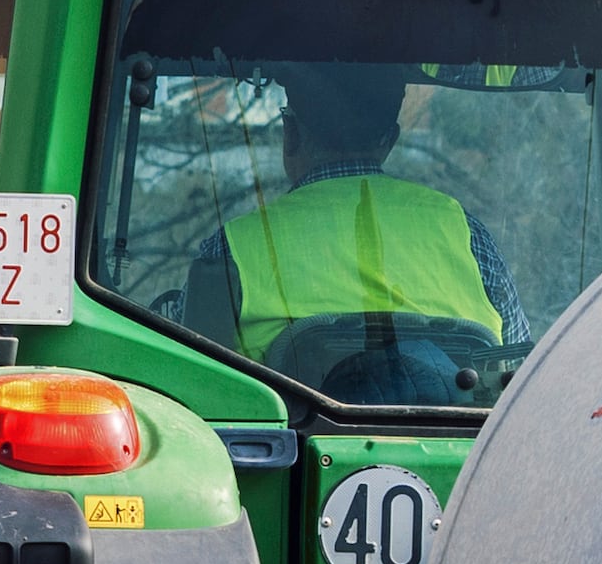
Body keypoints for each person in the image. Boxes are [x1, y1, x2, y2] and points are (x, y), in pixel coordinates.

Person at [180, 64, 512, 371]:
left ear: (290, 133)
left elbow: (195, 383)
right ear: (389, 141)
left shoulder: (231, 248)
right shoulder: (467, 234)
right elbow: (518, 365)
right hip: (465, 437)